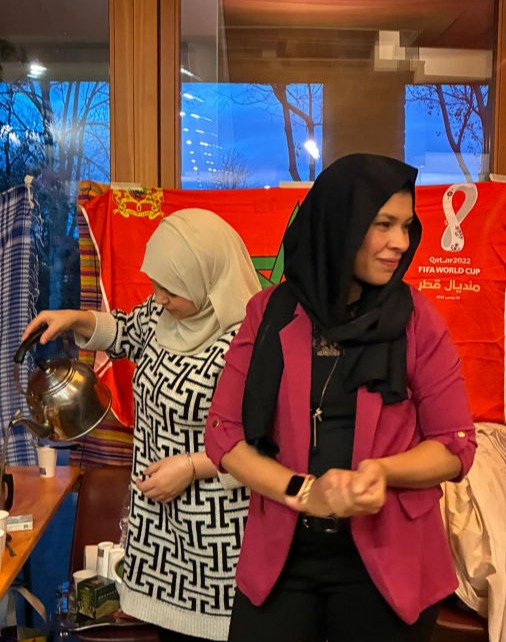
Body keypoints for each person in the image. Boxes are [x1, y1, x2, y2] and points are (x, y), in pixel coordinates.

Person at [204, 153, 477, 642]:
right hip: (283, 558)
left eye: (406, 226)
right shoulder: (269, 312)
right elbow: (224, 436)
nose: (400, 242)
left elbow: (455, 445)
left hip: (390, 559)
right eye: (383, 224)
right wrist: (305, 492)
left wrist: (381, 471)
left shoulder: (417, 320)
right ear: (339, 225)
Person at [23, 208, 261, 642]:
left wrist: (190, 467)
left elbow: (263, 444)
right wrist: (74, 317)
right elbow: (123, 331)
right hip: (157, 534)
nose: (160, 298)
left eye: (172, 290)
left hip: (215, 541)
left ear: (208, 280)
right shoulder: (162, 314)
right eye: (156, 286)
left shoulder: (248, 342)